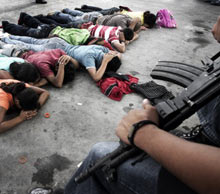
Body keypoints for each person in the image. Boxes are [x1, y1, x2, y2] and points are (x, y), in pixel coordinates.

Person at [62, 16, 220, 194]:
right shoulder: (103, 44)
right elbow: (119, 50)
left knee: (98, 155)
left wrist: (145, 134)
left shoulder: (100, 45)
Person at [0, 32, 79, 88]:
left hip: (20, 51)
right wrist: (62, 68)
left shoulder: (59, 53)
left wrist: (68, 58)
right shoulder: (43, 65)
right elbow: (57, 83)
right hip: (11, 54)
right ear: (58, 68)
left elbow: (77, 65)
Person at [0, 34, 122, 82]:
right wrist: (105, 63)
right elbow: (96, 77)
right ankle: (5, 39)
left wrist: (109, 57)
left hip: (60, 43)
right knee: (29, 45)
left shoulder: (98, 49)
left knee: (32, 41)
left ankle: (7, 36)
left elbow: (118, 54)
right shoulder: (88, 58)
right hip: (55, 50)